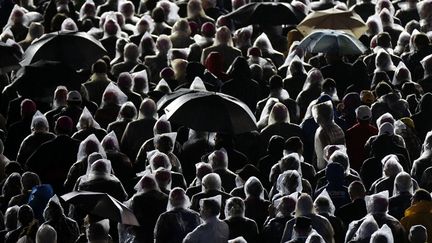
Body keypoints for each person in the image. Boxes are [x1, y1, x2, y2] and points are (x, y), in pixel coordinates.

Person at [26, 116, 80, 194]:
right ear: (71, 129)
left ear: (56, 129)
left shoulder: (46, 146)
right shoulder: (79, 145)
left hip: (50, 190)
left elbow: (30, 164)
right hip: (72, 190)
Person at [126, 174, 168, 243]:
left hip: (143, 231)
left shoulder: (138, 198)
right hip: (160, 230)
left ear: (142, 186)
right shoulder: (165, 197)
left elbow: (136, 216)